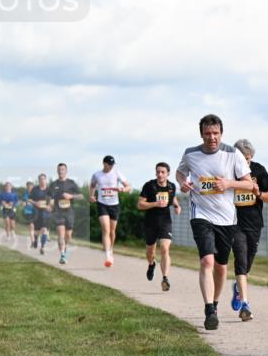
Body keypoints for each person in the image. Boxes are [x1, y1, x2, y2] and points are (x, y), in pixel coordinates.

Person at [176, 114, 252, 330]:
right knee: (207, 261)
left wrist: (228, 183)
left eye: (215, 133)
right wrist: (183, 183)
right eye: (208, 134)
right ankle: (209, 309)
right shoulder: (191, 154)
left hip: (227, 218)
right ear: (201, 134)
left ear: (221, 133)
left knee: (221, 267)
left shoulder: (232, 153)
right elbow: (180, 172)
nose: (212, 138)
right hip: (200, 214)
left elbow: (248, 185)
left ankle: (215, 304)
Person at [230, 139, 268, 321]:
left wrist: (259, 194)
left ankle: (238, 288)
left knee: (248, 262)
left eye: (249, 158)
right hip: (234, 222)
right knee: (240, 259)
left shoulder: (259, 170)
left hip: (254, 223)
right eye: (243, 158)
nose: (246, 162)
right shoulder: (228, 171)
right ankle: (245, 304)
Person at [138, 162, 181, 291]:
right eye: (158, 172)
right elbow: (140, 204)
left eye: (162, 172)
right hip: (150, 222)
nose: (160, 174)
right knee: (150, 252)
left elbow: (173, 199)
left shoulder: (172, 187)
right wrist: (155, 204)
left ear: (168, 174)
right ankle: (151, 264)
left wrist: (177, 206)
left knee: (164, 248)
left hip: (165, 222)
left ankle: (165, 278)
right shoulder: (149, 186)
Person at [89, 155, 132, 267]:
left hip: (114, 205)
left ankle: (110, 249)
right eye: (110, 164)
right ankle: (108, 256)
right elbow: (92, 185)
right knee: (105, 229)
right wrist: (91, 195)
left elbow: (128, 187)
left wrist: (122, 189)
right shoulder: (97, 174)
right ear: (104, 163)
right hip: (102, 204)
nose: (112, 166)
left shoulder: (117, 173)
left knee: (112, 231)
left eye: (113, 164)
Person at [48, 163, 83, 264]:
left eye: (62, 169)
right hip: (58, 213)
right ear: (57, 171)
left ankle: (65, 247)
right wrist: (50, 204)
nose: (60, 171)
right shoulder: (53, 185)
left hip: (69, 213)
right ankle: (62, 255)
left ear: (66, 171)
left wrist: (71, 196)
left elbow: (81, 196)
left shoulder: (71, 183)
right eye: (59, 170)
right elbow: (49, 198)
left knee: (68, 236)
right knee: (60, 234)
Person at [30, 175, 51, 254]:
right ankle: (35, 239)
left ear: (46, 180)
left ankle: (42, 247)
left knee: (44, 230)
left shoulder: (49, 190)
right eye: (41, 179)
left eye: (44, 179)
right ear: (38, 180)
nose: (42, 180)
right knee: (37, 231)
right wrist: (35, 203)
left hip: (46, 213)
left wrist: (49, 206)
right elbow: (29, 199)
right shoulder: (34, 189)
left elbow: (52, 200)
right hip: (36, 213)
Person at [21, 181, 36, 247]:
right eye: (28, 186)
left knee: (37, 227)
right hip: (28, 212)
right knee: (31, 226)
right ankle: (32, 241)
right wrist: (26, 203)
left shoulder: (36, 193)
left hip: (36, 212)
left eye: (31, 186)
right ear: (27, 187)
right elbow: (23, 203)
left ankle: (36, 238)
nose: (29, 188)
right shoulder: (25, 194)